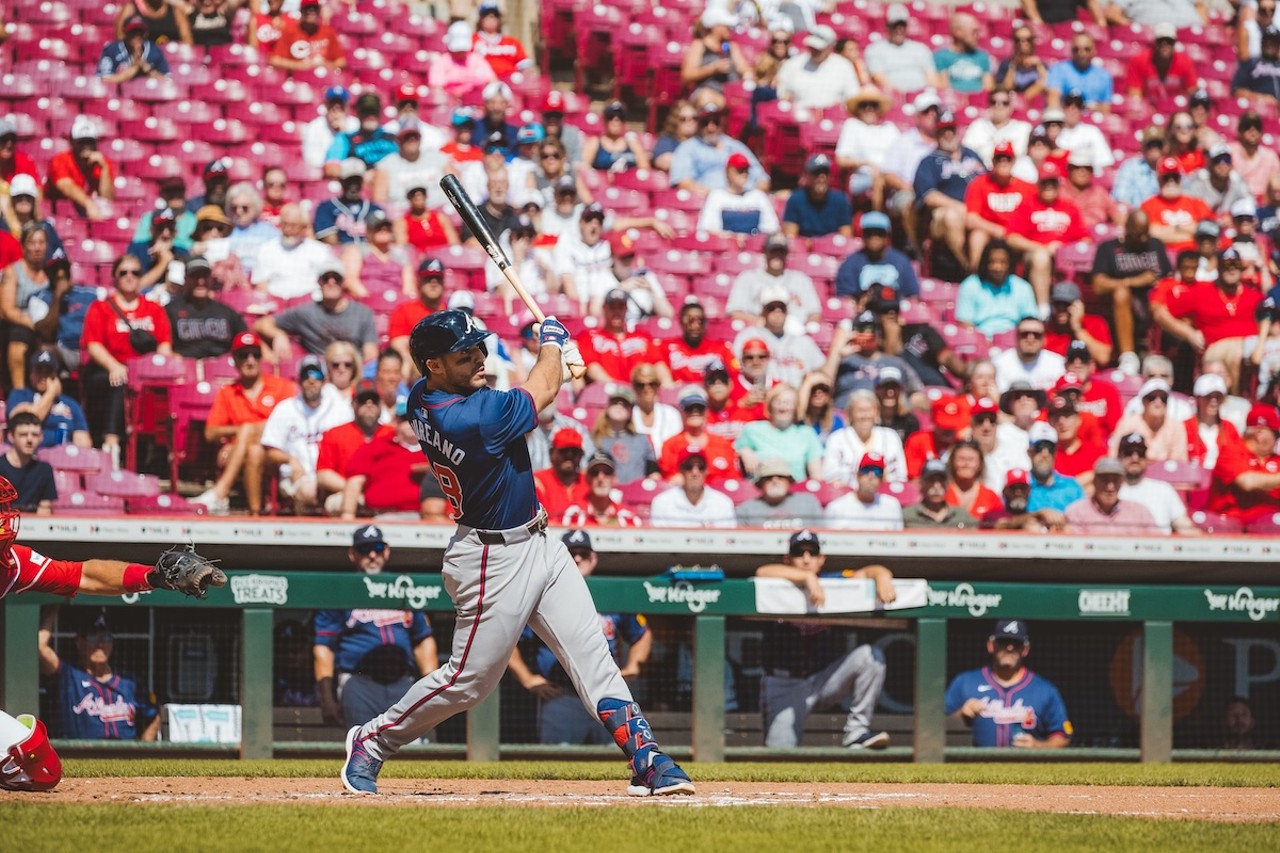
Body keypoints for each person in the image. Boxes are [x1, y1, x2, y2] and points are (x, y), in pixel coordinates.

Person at [341, 309, 691, 795]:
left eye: (480, 349)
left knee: (594, 655)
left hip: (541, 541)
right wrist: (551, 342)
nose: (481, 360)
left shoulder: (425, 396)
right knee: (470, 683)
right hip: (490, 557)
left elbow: (535, 388)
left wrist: (552, 360)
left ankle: (647, 758)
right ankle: (372, 741)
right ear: (433, 366)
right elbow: (540, 391)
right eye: (465, 355)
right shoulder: (469, 419)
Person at [506, 529, 650, 744]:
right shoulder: (543, 595)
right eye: (571, 553)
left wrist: (634, 666)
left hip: (607, 693)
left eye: (583, 553)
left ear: (593, 558)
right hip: (562, 697)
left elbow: (642, 635)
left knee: (618, 757)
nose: (577, 558)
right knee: (557, 763)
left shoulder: (611, 594)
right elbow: (507, 639)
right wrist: (527, 678)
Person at [755, 529, 891, 749]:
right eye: (799, 554)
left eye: (812, 553)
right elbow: (763, 571)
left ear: (821, 559)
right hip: (785, 683)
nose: (806, 559)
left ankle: (857, 732)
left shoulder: (832, 583)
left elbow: (868, 572)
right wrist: (807, 578)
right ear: (788, 559)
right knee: (780, 757)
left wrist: (883, 576)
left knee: (870, 656)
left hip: (823, 679)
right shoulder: (777, 583)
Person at [315, 525, 438, 729]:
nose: (372, 555)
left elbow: (424, 641)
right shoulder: (339, 591)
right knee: (362, 746)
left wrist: (431, 692)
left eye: (378, 548)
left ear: (387, 551)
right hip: (359, 683)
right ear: (352, 554)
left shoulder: (403, 586)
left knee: (413, 749)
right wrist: (327, 699)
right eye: (364, 549)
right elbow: (323, 648)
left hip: (403, 682)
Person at [80, 255, 174, 454]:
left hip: (145, 373)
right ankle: (111, 443)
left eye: (135, 273)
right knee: (121, 381)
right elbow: (94, 345)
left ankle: (161, 451)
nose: (129, 277)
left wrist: (154, 372)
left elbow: (164, 346)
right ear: (114, 277)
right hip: (108, 369)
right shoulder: (101, 308)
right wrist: (114, 366)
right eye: (123, 273)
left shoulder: (154, 309)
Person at [946, 620, 1071, 749]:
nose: (1009, 648)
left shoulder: (1044, 690)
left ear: (1025, 649)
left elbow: (1062, 736)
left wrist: (1038, 746)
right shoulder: (965, 683)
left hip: (1027, 767)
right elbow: (934, 729)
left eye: (1016, 643)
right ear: (991, 645)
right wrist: (960, 714)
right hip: (977, 766)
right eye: (1003, 642)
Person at [37, 607, 157, 740]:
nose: (100, 644)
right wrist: (54, 607)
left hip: (125, 755)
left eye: (106, 638)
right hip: (82, 755)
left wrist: (144, 750)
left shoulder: (129, 682)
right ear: (79, 642)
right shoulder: (68, 676)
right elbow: (40, 647)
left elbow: (153, 715)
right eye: (93, 637)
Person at [1157, 248, 1263, 393]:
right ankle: (1237, 400)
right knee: (1236, 356)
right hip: (1216, 353)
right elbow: (1160, 314)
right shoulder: (1202, 292)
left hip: (1250, 350)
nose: (1231, 269)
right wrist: (1189, 334)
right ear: (1218, 267)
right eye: (1226, 265)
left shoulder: (1255, 295)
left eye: (1236, 265)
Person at [261, 355, 354, 515]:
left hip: (333, 475)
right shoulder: (285, 409)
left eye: (316, 375)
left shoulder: (339, 408)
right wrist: (290, 459)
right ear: (298, 380)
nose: (311, 380)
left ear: (324, 380)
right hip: (297, 477)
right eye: (306, 375)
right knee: (309, 490)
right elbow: (270, 450)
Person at [1090, 210, 1172, 375]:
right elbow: (1098, 285)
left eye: (1145, 234)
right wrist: (1133, 282)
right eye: (1138, 234)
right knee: (1121, 293)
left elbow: (1168, 277)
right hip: (1122, 307)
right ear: (1127, 229)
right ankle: (1128, 356)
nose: (1143, 239)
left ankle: (1162, 354)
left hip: (1154, 304)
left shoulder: (1155, 245)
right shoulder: (1109, 248)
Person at [255, 260, 378, 362]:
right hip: (319, 374)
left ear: (343, 283)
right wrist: (278, 335)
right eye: (326, 278)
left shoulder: (363, 313)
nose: (331, 283)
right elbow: (260, 325)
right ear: (319, 282)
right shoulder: (306, 313)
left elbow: (371, 356)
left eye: (336, 278)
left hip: (350, 370)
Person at [914, 110, 986, 270]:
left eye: (951, 129)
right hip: (945, 214)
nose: (948, 134)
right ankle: (966, 267)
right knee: (952, 216)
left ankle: (981, 269)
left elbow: (988, 181)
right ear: (937, 133)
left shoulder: (972, 155)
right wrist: (960, 207)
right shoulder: (929, 161)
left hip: (977, 210)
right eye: (943, 130)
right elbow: (928, 196)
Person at [338, 399, 430, 520]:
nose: (411, 423)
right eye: (405, 418)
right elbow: (355, 481)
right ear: (396, 421)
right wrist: (347, 515)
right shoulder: (376, 446)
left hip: (426, 517)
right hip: (381, 516)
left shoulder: (436, 449)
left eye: (417, 419)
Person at [316, 380, 393, 516]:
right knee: (339, 502)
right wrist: (353, 491)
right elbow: (323, 474)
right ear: (353, 404)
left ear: (381, 405)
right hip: (345, 493)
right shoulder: (335, 434)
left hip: (386, 495)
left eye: (374, 401)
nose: (369, 405)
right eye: (363, 401)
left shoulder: (392, 434)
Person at [1206, 403, 1280, 523]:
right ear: (1259, 433)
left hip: (1270, 529)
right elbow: (1247, 482)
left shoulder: (1276, 460)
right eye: (1276, 434)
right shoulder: (1231, 452)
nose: (1277, 440)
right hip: (1230, 529)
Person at [669, 104, 768, 193]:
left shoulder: (735, 146)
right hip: (707, 202)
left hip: (743, 201)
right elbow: (683, 182)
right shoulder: (688, 148)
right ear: (699, 124)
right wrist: (718, 197)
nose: (711, 126)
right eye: (706, 122)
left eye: (715, 121)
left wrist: (750, 197)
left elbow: (763, 180)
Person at [734, 384, 822, 482]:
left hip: (795, 491)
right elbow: (734, 451)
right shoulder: (752, 429)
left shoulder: (806, 433)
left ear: (796, 407)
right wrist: (744, 451)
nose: (783, 407)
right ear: (770, 405)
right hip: (759, 490)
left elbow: (816, 473)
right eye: (778, 402)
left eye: (788, 403)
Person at [834, 85, 901, 212]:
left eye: (873, 105)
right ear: (858, 109)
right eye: (864, 105)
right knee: (878, 178)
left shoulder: (889, 128)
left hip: (889, 175)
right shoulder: (852, 126)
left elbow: (902, 153)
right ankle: (878, 219)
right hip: (861, 178)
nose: (869, 108)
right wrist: (868, 164)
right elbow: (841, 159)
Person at [164, 256, 246, 359]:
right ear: (185, 278)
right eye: (195, 276)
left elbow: (245, 344)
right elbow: (162, 349)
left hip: (222, 369)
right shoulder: (170, 311)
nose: (200, 282)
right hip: (184, 368)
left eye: (204, 276)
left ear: (211, 279)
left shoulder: (227, 313)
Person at [1116, 432, 1198, 534]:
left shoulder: (1163, 489)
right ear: (1119, 457)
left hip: (1160, 547)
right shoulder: (1110, 491)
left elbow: (1184, 526)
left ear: (1146, 458)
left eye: (1140, 453)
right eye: (1129, 452)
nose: (1135, 458)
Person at [252, 203, 336, 300]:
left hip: (309, 304)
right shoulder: (266, 249)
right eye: (284, 224)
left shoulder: (319, 251)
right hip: (277, 303)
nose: (288, 229)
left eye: (293, 225)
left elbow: (329, 282)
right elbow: (261, 284)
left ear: (303, 227)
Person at [955, 239, 1037, 337]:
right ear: (985, 263)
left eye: (1003, 262)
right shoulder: (970, 285)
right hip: (981, 341)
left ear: (1009, 264)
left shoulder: (1023, 287)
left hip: (1014, 342)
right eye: (992, 262)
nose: (997, 267)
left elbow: (1030, 322)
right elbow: (965, 323)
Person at [823, 389, 908, 485]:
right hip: (848, 496)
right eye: (860, 410)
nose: (865, 415)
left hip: (886, 496)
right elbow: (830, 478)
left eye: (868, 410)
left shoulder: (891, 437)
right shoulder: (836, 439)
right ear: (850, 414)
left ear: (876, 412)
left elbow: (901, 476)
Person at [834, 211, 919, 303]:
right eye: (869, 233)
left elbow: (913, 296)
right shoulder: (850, 263)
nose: (874, 237)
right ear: (863, 234)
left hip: (894, 312)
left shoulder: (902, 261)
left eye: (880, 233)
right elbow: (846, 298)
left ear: (887, 235)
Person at [44, 116, 115, 222]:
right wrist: (88, 204)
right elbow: (65, 185)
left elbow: (107, 198)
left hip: (88, 216)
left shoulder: (102, 162)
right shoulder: (60, 160)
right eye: (81, 142)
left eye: (89, 141)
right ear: (72, 143)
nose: (86, 146)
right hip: (57, 216)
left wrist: (104, 169)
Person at [680, 7, 752, 110]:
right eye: (726, 25)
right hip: (706, 92)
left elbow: (744, 68)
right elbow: (687, 76)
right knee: (707, 98)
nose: (730, 28)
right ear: (715, 26)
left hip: (730, 95)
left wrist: (747, 74)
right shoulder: (699, 45)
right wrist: (713, 68)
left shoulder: (732, 47)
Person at [774, 24, 860, 110]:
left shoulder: (843, 66)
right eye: (812, 47)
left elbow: (852, 96)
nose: (815, 50)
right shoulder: (792, 64)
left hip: (833, 117)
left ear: (830, 47)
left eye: (819, 48)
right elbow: (782, 93)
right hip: (799, 115)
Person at [1141, 157, 1214, 255]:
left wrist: (1171, 229)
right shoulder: (1147, 205)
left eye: (1175, 177)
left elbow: (1209, 230)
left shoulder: (1197, 203)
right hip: (1163, 257)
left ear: (1180, 179)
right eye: (1166, 177)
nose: (1171, 181)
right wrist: (1191, 233)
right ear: (1159, 179)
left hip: (1195, 256)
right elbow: (1151, 235)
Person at [650, 447, 736, 528]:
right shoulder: (662, 502)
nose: (695, 472)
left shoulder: (722, 503)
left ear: (707, 470)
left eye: (701, 467)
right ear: (680, 470)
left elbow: (728, 541)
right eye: (688, 467)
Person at [864, 4, 940, 94]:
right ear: (887, 26)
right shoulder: (875, 50)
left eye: (902, 25)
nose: (899, 29)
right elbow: (879, 78)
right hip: (891, 95)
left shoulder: (921, 49)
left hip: (921, 97)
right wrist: (902, 95)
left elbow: (931, 78)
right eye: (895, 25)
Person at [560, 451, 643, 528]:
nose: (600, 478)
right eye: (595, 472)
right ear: (587, 478)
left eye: (607, 472)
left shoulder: (629, 517)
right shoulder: (573, 514)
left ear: (614, 478)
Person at [735, 457, 823, 528]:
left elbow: (822, 535)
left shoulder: (808, 502)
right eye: (768, 477)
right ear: (760, 483)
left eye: (780, 476)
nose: (775, 481)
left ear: (789, 480)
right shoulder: (746, 510)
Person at [823, 451, 902, 530]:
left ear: (882, 479)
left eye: (877, 471)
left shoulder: (892, 506)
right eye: (866, 470)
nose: (871, 476)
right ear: (857, 475)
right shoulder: (836, 507)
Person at [314, 159, 384, 246]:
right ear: (340, 181)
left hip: (370, 255)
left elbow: (381, 239)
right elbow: (331, 242)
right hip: (340, 255)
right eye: (349, 181)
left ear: (362, 182)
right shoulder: (326, 208)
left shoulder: (374, 209)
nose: (353, 186)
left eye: (356, 181)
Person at [781, 154, 852, 239]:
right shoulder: (795, 199)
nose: (821, 177)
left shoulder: (841, 201)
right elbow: (791, 237)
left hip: (831, 248)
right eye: (816, 173)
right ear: (807, 176)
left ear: (830, 176)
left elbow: (845, 238)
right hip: (804, 249)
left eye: (825, 173)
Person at [1125, 24, 1198, 102]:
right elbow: (1135, 97)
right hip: (1148, 108)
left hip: (1176, 108)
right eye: (1160, 41)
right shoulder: (1139, 61)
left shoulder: (1184, 61)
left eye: (1169, 41)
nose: (1165, 45)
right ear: (1155, 42)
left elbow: (1192, 93)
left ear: (1174, 43)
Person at [269, 0, 346, 73]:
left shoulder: (328, 32)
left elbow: (341, 62)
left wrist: (324, 65)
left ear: (319, 11)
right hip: (296, 80)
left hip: (322, 79)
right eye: (307, 8)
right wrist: (299, 66)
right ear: (301, 10)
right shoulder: (289, 30)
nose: (311, 12)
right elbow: (275, 60)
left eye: (314, 8)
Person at [1025, 421, 1085, 514]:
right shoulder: (1020, 486)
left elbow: (1083, 520)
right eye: (1039, 447)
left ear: (1055, 452)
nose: (1045, 454)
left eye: (1050, 448)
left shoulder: (1072, 486)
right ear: (1029, 452)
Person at [992, 316, 1066, 392]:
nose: (1030, 339)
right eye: (1025, 334)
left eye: (1036, 335)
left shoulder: (1058, 364)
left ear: (1044, 339)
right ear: (1016, 337)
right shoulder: (999, 364)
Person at [0, 412, 55, 513]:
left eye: (35, 435)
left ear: (41, 437)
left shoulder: (45, 470)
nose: (29, 440)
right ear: (11, 436)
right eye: (23, 434)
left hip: (35, 526)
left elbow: (45, 510)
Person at [533, 428, 590, 520]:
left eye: (574, 452)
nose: (569, 456)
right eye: (563, 451)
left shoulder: (589, 482)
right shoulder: (538, 482)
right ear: (551, 453)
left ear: (581, 455)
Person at [1046, 32, 1111, 111]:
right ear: (1071, 51)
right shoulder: (1058, 70)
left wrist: (1091, 108)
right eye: (1076, 49)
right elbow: (1053, 103)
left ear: (1094, 51)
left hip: (1092, 120)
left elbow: (1106, 109)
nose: (1081, 53)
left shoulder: (1103, 76)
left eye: (1087, 49)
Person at [903, 459, 978, 529]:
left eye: (941, 480)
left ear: (948, 484)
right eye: (931, 481)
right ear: (921, 484)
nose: (936, 486)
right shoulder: (907, 516)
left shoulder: (961, 516)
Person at [934, 11, 993, 94]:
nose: (978, 36)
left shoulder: (982, 56)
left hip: (979, 103)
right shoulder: (941, 56)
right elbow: (943, 88)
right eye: (974, 32)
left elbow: (988, 88)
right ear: (958, 32)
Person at [98, 16, 169, 83]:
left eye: (140, 32)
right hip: (119, 94)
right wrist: (134, 68)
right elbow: (104, 80)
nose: (137, 36)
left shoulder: (155, 51)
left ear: (146, 33)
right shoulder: (112, 50)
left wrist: (148, 70)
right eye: (133, 32)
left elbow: (168, 81)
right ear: (125, 33)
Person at [303, 87, 358, 170]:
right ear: (326, 106)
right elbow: (312, 161)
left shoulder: (355, 125)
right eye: (333, 104)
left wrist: (343, 134)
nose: (336, 109)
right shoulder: (314, 127)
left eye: (340, 106)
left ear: (347, 107)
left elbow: (359, 157)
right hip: (323, 176)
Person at [472, 1, 530, 78]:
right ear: (481, 18)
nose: (491, 18)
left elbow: (526, 68)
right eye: (487, 15)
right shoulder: (472, 40)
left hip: (511, 82)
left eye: (495, 15)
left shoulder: (512, 42)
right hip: (483, 82)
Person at [1229, 112, 1278, 204]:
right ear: (1240, 131)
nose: (1253, 131)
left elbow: (1276, 183)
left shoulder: (1270, 156)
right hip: (1235, 201)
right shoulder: (1230, 151)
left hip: (1263, 205)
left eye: (1257, 127)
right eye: (1247, 127)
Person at [994, 25, 1047, 99]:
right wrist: (1014, 65)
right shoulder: (1006, 64)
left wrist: (1039, 65)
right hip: (1013, 102)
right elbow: (1006, 89)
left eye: (1028, 39)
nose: (1023, 43)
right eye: (1018, 40)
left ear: (1032, 41)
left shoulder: (1042, 64)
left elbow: (1050, 85)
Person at [1233, 25, 1280, 104]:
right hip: (1258, 107)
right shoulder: (1250, 63)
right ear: (1261, 42)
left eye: (1273, 41)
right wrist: (1259, 98)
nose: (1269, 44)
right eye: (1267, 40)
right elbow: (1236, 91)